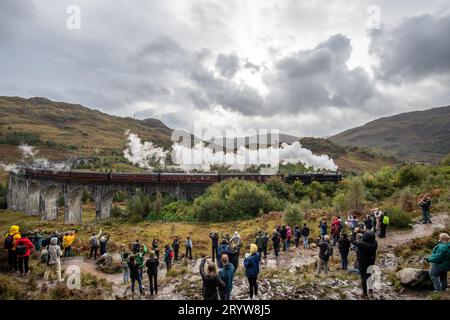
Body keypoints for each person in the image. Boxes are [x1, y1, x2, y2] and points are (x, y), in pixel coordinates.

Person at [351, 231, 378, 299]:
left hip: (363, 263)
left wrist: (354, 232)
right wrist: (363, 231)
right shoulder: (375, 243)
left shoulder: (363, 244)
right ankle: (371, 291)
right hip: (371, 261)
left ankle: (365, 294)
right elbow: (370, 237)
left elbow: (352, 240)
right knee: (369, 276)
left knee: (363, 277)